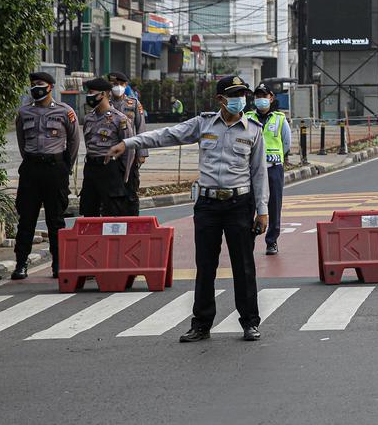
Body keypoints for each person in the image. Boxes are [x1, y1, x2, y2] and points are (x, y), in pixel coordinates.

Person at [108, 75, 268, 343]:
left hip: (239, 205)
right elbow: (166, 135)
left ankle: (250, 322)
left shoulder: (253, 130)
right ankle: (201, 324)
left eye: (242, 94)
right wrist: (129, 143)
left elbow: (259, 173)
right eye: (234, 95)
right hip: (207, 205)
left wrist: (262, 211)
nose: (240, 99)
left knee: (243, 266)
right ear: (221, 99)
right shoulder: (203, 124)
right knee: (205, 266)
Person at [11, 72, 79, 279]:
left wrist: (65, 166)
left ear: (50, 87)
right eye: (33, 84)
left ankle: (58, 263)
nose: (35, 87)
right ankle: (21, 264)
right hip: (31, 169)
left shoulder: (65, 111)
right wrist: (31, 160)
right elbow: (22, 140)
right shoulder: (24, 112)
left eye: (39, 84)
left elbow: (74, 141)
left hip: (55, 169)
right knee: (26, 218)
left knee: (55, 219)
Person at [245, 83, 290, 256]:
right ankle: (248, 241)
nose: (260, 99)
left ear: (271, 98)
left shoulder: (280, 118)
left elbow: (286, 143)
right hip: (251, 170)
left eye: (264, 96)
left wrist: (274, 158)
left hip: (273, 169)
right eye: (258, 96)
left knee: (274, 205)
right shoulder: (247, 117)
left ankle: (272, 241)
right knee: (249, 205)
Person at [80, 77, 134, 217]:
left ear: (103, 94)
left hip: (110, 169)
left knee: (113, 212)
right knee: (89, 210)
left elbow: (129, 148)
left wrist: (124, 174)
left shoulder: (120, 119)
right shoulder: (88, 118)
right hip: (91, 168)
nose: (88, 96)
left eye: (92, 92)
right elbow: (88, 142)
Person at [108, 71, 146, 210]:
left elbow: (141, 128)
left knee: (131, 189)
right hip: (110, 152)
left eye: (120, 84)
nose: (117, 87)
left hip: (130, 152)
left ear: (126, 85)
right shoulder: (106, 103)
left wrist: (142, 153)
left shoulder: (133, 103)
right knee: (111, 190)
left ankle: (132, 218)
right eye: (114, 84)